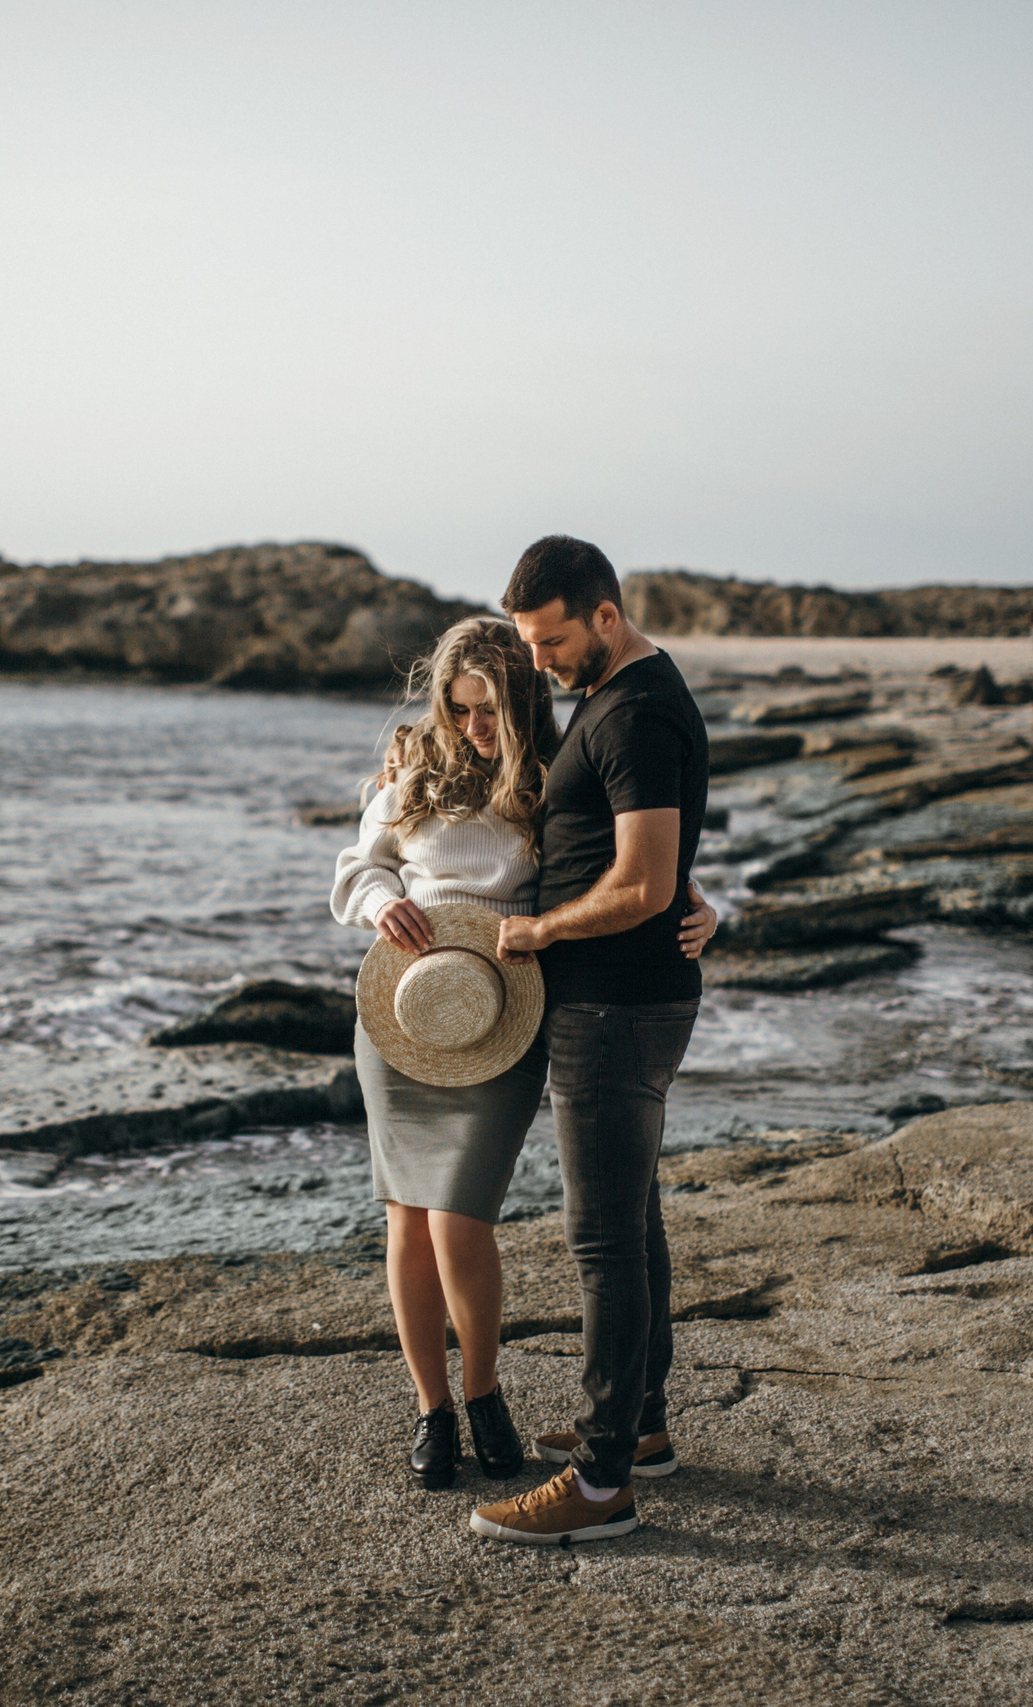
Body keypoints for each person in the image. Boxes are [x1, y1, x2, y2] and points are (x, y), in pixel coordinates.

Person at [331, 617, 717, 1491]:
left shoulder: (555, 771)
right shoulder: (411, 771)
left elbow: (625, 858)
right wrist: (381, 897)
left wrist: (702, 905)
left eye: (491, 710)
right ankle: (432, 1408)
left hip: (503, 1016)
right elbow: (356, 866)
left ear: (526, 698)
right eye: (461, 710)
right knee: (407, 1218)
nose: (475, 728)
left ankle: (484, 1394)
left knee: (463, 1219)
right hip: (406, 1013)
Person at [468, 535, 710, 1547]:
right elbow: (647, 853)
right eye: (529, 644)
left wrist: (537, 931)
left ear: (605, 617)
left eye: (551, 641)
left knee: (603, 1241)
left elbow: (643, 883)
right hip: (622, 997)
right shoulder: (612, 692)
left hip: (614, 1004)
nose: (538, 664)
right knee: (635, 1219)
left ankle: (602, 1479)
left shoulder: (639, 709)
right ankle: (641, 1425)